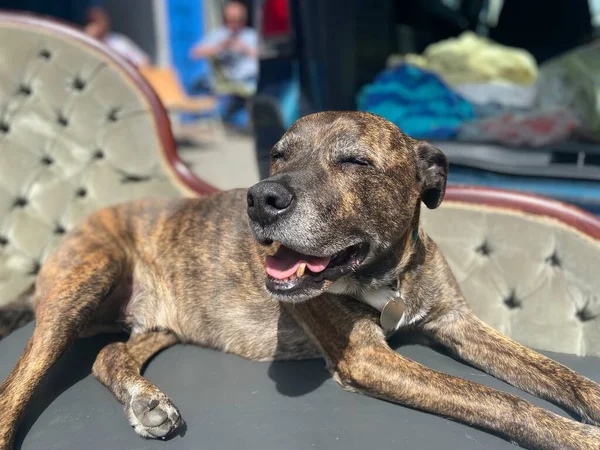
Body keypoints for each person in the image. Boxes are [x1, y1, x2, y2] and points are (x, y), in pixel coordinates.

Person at [190, 1, 258, 95]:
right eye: (230, 20)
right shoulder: (218, 35)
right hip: (227, 84)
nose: (234, 24)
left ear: (243, 20)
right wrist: (221, 47)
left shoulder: (250, 35)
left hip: (250, 81)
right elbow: (195, 53)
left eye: (238, 20)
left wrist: (244, 49)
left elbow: (261, 57)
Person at [83, 6, 150, 68]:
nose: (96, 27)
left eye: (99, 21)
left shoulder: (118, 42)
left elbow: (143, 61)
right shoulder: (84, 43)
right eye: (92, 22)